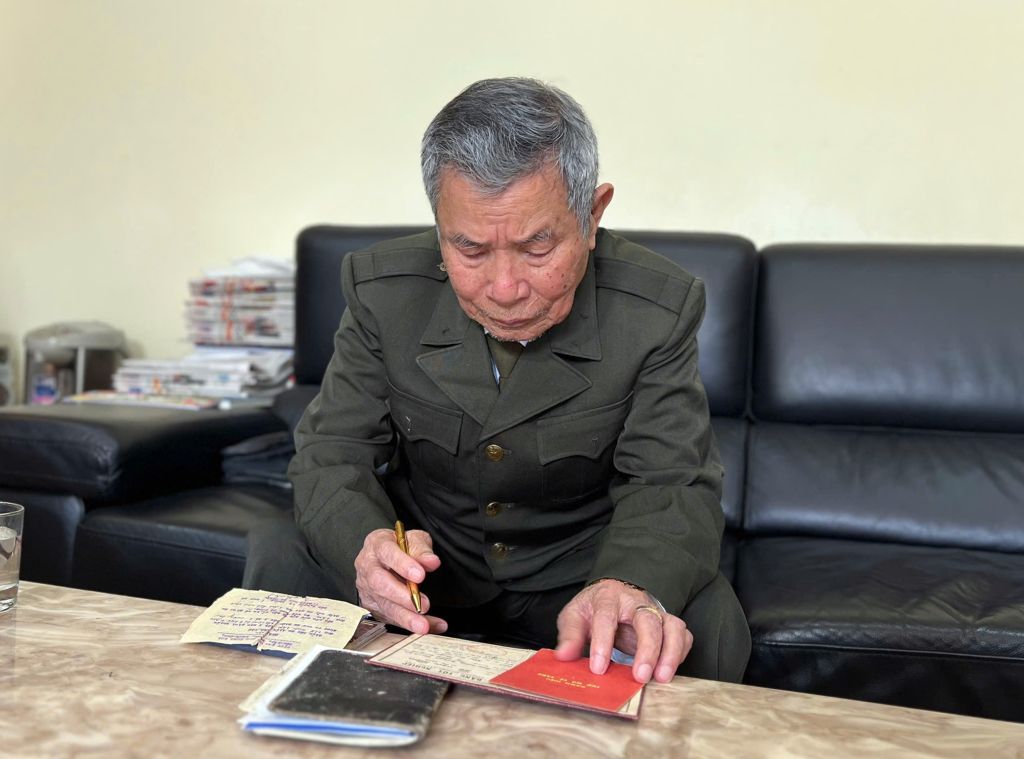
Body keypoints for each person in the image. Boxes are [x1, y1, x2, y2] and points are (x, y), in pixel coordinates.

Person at [245, 77, 750, 684]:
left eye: (537, 247)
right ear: (440, 225)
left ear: (592, 215)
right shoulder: (384, 292)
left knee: (701, 616)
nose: (505, 289)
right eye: (471, 249)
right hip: (429, 571)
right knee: (283, 547)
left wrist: (628, 585)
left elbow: (670, 479)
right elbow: (334, 449)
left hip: (576, 580)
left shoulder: (655, 311)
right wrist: (368, 547)